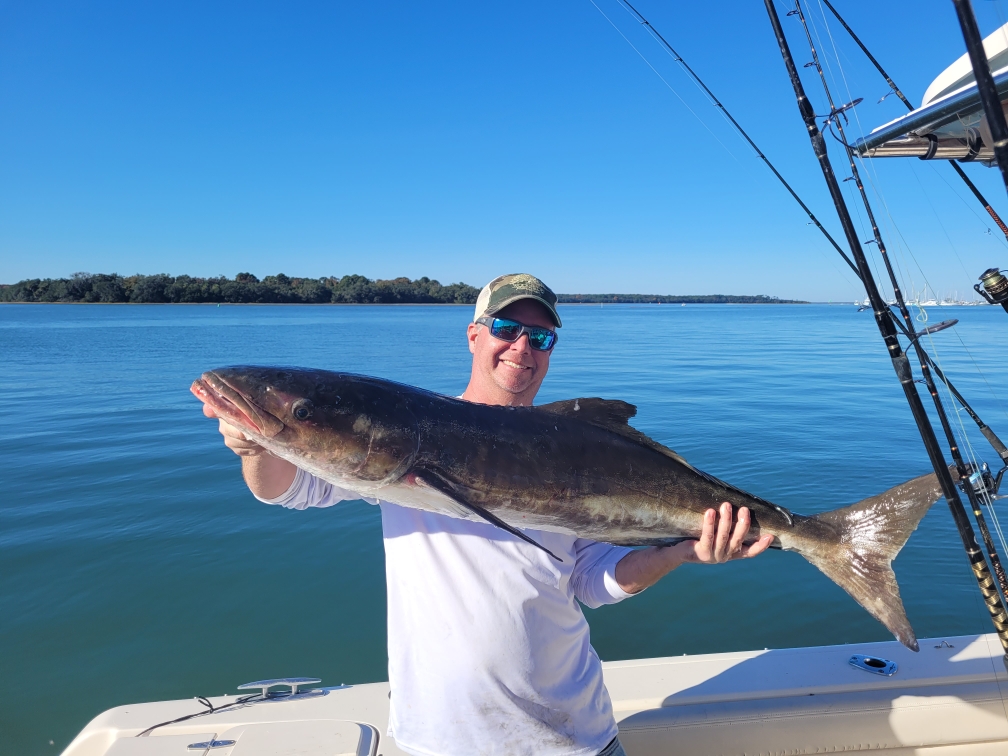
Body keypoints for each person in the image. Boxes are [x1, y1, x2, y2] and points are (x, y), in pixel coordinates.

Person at [202, 273, 772, 756]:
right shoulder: (400, 445)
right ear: (475, 335)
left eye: (540, 337)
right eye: (505, 329)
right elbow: (288, 490)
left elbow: (591, 583)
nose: (521, 347)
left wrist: (682, 551)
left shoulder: (571, 447)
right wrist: (256, 446)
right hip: (438, 741)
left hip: (576, 738)